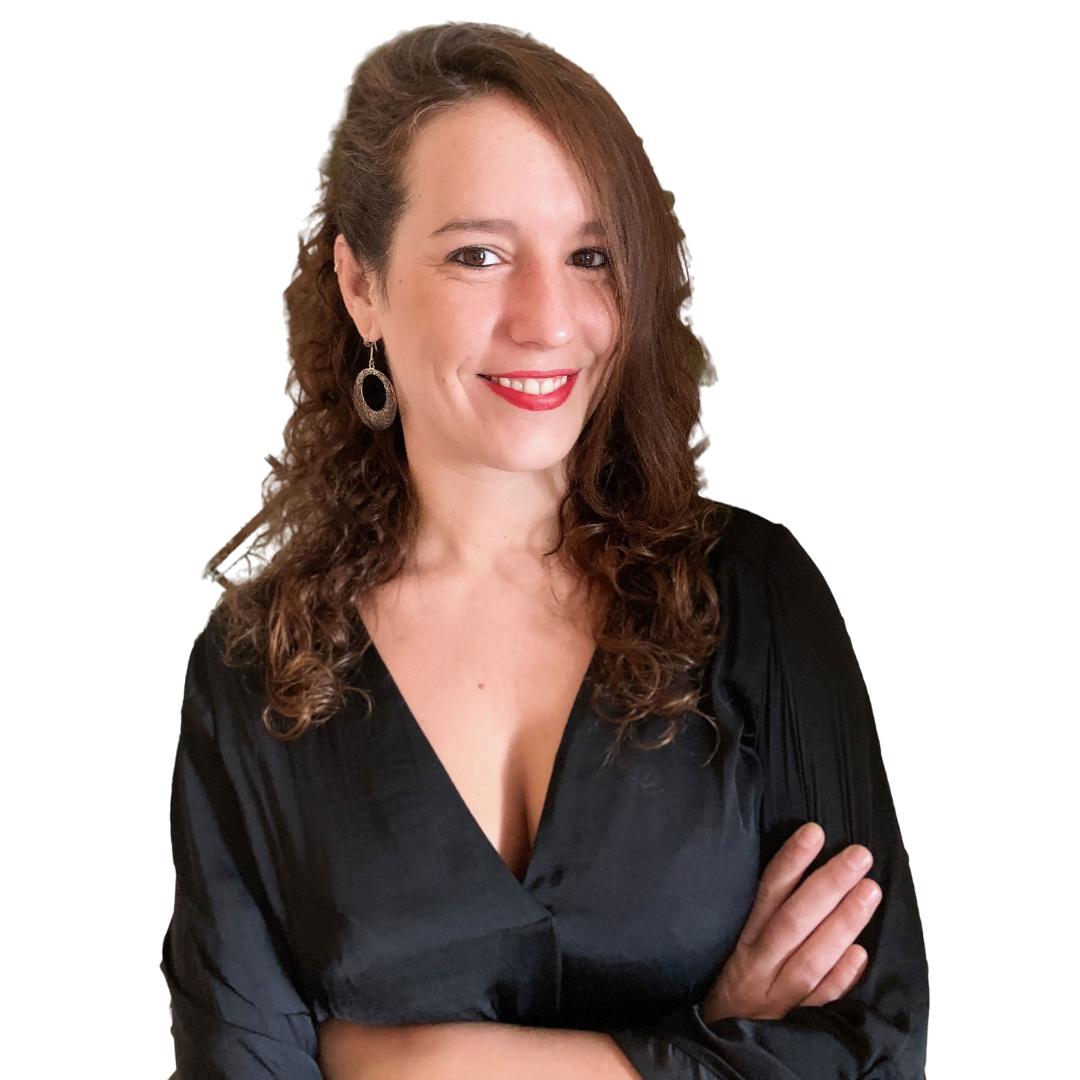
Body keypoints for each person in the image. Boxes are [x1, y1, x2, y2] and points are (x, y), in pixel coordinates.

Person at [161, 21, 930, 1079]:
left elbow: (873, 1049)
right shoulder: (253, 670)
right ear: (361, 283)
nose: (549, 319)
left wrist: (402, 1063)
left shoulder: (755, 598)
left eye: (589, 257)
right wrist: (711, 1041)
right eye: (478, 254)